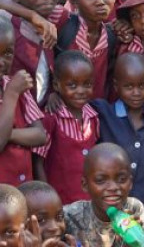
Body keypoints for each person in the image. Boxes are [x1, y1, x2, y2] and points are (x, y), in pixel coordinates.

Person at [92, 53, 144, 232]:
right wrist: (56, 97)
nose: (136, 93)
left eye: (142, 86)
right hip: (111, 204)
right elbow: (75, 101)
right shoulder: (104, 113)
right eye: (129, 86)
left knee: (143, 237)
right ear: (116, 86)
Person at [34, 51, 99, 205]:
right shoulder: (51, 119)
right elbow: (37, 162)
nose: (81, 91)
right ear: (56, 85)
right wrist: (48, 198)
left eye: (87, 84)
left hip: (89, 203)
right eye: (72, 85)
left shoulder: (94, 117)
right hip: (60, 203)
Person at [63, 143, 144, 247]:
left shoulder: (133, 209)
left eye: (121, 179)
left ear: (130, 183)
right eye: (100, 180)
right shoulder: (69, 217)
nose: (113, 187)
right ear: (85, 185)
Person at [0, 17, 46, 186]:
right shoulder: (15, 88)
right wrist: (11, 94)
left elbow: (40, 135)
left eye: (7, 53)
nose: (1, 62)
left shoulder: (17, 85)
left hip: (24, 189)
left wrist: (8, 135)